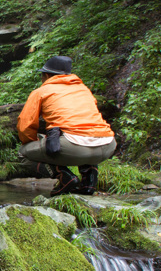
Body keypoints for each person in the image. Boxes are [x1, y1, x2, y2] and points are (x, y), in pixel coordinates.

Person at [16, 55, 117, 196]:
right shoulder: (83, 89)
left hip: (75, 147)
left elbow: (25, 126)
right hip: (108, 145)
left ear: (46, 75)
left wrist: (31, 144)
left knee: (23, 152)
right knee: (81, 134)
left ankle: (65, 177)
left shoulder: (41, 92)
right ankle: (89, 183)